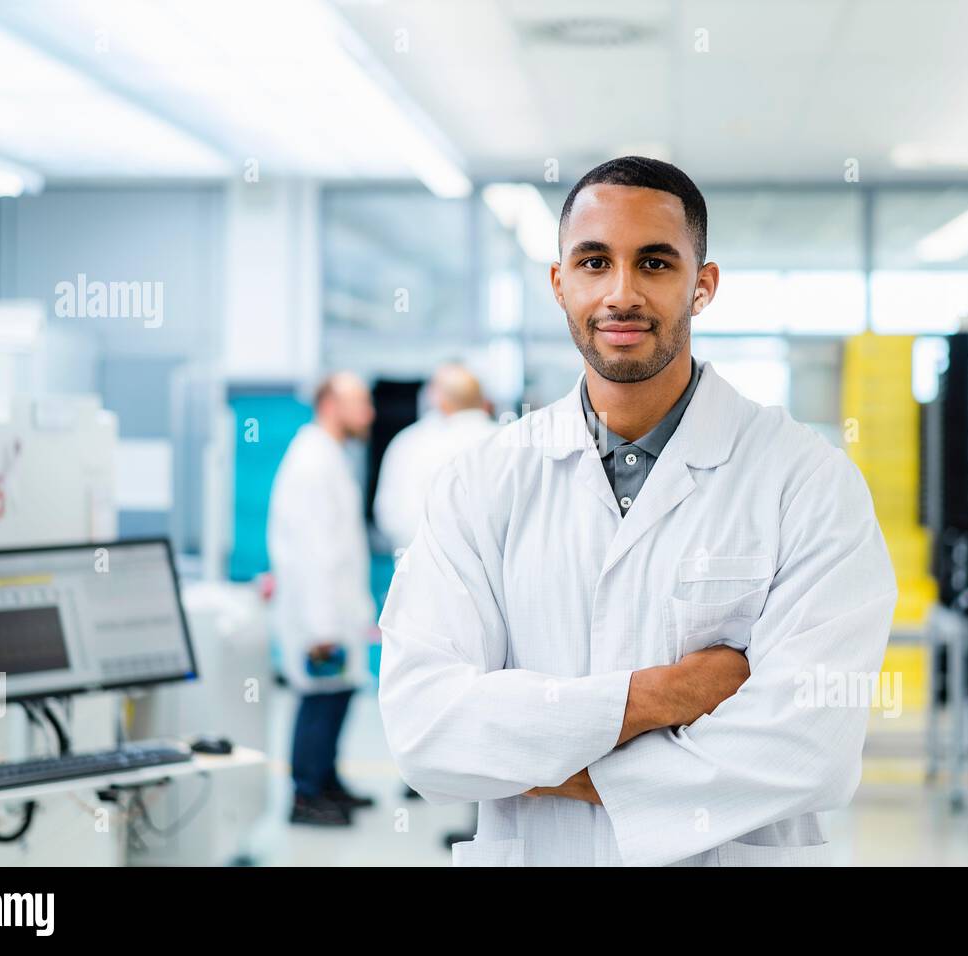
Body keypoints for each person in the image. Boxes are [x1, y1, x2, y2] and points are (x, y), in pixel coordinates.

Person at [377, 156, 897, 866]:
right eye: (594, 262)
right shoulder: (482, 483)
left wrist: (538, 763)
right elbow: (425, 728)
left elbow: (809, 751)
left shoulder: (807, 482)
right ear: (560, 283)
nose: (621, 293)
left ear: (702, 285)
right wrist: (662, 695)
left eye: (654, 264)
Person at [268, 372, 379, 826]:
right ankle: (305, 796)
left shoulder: (330, 456)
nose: (369, 414)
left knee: (337, 696)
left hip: (337, 610)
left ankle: (327, 781)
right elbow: (313, 553)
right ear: (331, 404)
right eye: (360, 403)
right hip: (320, 616)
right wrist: (321, 629)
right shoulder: (312, 462)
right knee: (318, 700)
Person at [373, 363, 500, 556]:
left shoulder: (410, 445)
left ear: (438, 400)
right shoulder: (508, 443)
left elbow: (392, 518)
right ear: (482, 399)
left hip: (425, 572)